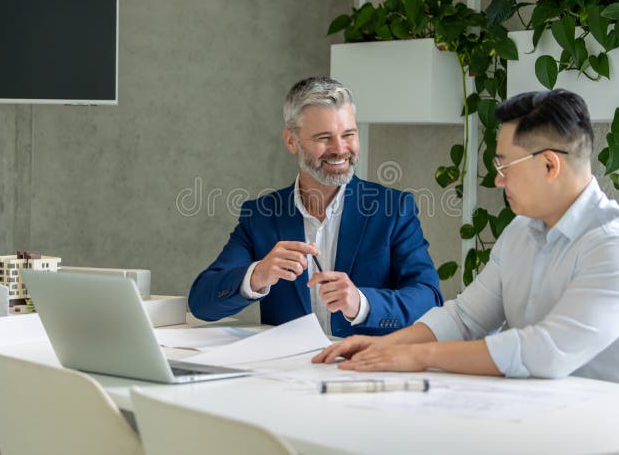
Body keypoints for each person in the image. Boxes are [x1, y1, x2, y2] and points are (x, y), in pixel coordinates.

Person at [313, 89, 619, 386]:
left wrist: (416, 355)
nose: (498, 181)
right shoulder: (521, 231)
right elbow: (466, 318)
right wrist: (383, 345)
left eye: (504, 167)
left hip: (617, 433)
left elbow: (545, 352)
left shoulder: (617, 246)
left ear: (549, 165)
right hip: (541, 417)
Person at [189, 77, 444, 337]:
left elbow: (429, 299)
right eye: (324, 137)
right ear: (291, 141)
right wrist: (256, 275)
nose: (340, 149)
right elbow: (201, 303)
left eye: (348, 135)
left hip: (365, 368)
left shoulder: (394, 209)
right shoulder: (260, 215)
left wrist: (362, 303)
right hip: (288, 372)